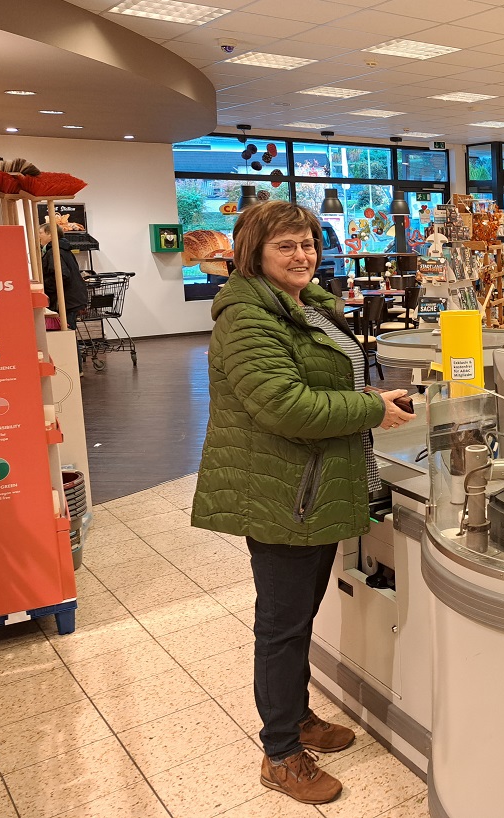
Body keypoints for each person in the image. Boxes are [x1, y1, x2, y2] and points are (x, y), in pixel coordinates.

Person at [191, 200, 416, 805]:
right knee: (282, 625)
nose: (302, 255)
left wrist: (372, 394)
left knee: (299, 618)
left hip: (312, 487)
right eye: (286, 245)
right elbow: (285, 405)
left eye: (308, 243)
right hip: (281, 493)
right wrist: (371, 410)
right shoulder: (246, 318)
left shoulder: (302, 306)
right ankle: (280, 752)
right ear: (254, 253)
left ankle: (296, 717)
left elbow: (321, 382)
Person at [38, 222, 88, 330]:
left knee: (66, 334)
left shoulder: (54, 252)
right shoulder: (64, 249)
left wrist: (43, 284)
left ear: (51, 234)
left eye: (40, 233)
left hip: (66, 301)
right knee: (69, 333)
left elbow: (62, 276)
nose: (38, 236)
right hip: (72, 299)